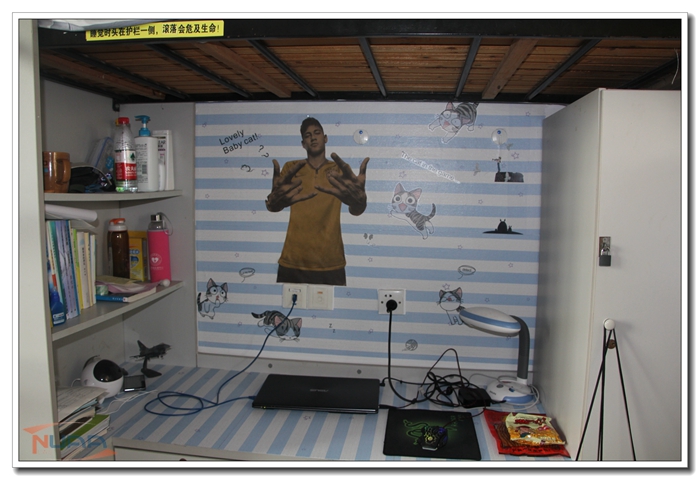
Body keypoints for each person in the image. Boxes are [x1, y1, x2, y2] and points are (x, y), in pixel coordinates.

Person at [265, 117, 370, 286]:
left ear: (325, 138)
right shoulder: (292, 168)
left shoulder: (339, 170)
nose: (313, 138)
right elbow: (276, 204)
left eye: (317, 133)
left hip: (331, 261)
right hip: (293, 261)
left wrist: (360, 202)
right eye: (307, 136)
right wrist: (272, 203)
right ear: (303, 144)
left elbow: (356, 210)